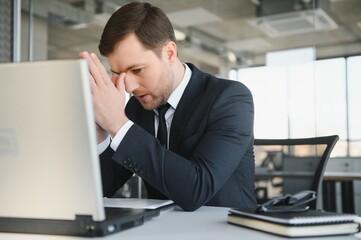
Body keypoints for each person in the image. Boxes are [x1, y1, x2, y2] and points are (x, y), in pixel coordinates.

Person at [80, 1, 256, 211]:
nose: (128, 86)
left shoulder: (229, 99)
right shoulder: (136, 109)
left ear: (170, 53)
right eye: (118, 73)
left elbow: (196, 189)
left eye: (137, 70)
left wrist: (118, 124)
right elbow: (102, 187)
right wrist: (102, 136)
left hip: (225, 230)